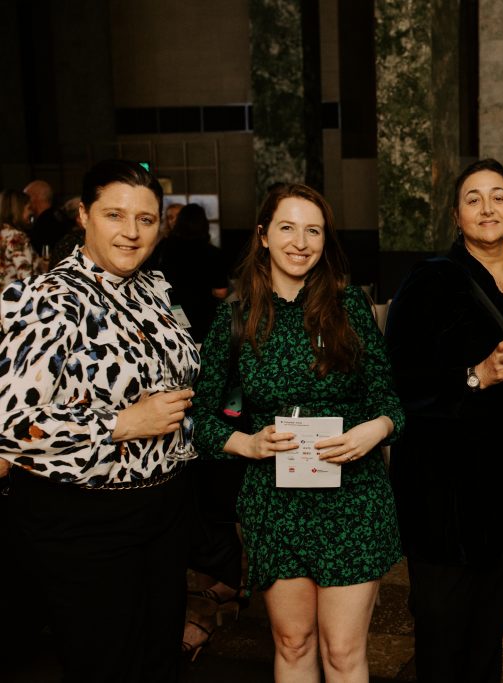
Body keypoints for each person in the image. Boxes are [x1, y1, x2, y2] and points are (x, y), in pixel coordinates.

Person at [191, 183, 402, 680]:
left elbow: (391, 403)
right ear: (263, 235)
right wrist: (247, 442)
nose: (301, 242)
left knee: (344, 651)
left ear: (325, 240)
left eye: (314, 230)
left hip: (352, 499)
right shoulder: (235, 317)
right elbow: (199, 418)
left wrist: (374, 431)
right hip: (274, 501)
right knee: (291, 641)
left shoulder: (350, 307)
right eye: (287, 227)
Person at [0, 159, 199, 682]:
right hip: (88, 520)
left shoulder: (154, 288)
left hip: (163, 509)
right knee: (107, 666)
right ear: (84, 216)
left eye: (147, 220)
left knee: (159, 663)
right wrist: (121, 424)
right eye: (115, 215)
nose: (131, 233)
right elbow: (13, 423)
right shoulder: (48, 299)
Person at [385, 158, 503, 682]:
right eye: (473, 198)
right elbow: (398, 382)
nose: (487, 207)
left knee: (489, 634)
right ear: (455, 215)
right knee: (443, 635)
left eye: (498, 196)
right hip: (442, 491)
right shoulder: (429, 282)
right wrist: (476, 376)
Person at [157, 203, 231, 342]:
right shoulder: (213, 253)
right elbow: (221, 292)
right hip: (204, 315)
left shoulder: (164, 248)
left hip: (173, 311)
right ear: (204, 224)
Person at [0, 189, 39, 286]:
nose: (32, 213)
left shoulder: (3, 234)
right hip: (16, 298)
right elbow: (26, 276)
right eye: (29, 208)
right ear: (18, 209)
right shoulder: (16, 237)